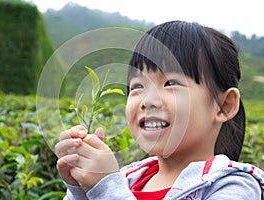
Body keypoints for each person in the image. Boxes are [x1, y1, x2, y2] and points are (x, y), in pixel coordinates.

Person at [55, 21, 264, 199]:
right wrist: (80, 188)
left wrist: (105, 187)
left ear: (224, 106)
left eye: (171, 83)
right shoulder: (127, 178)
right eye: (138, 86)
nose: (148, 100)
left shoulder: (233, 186)